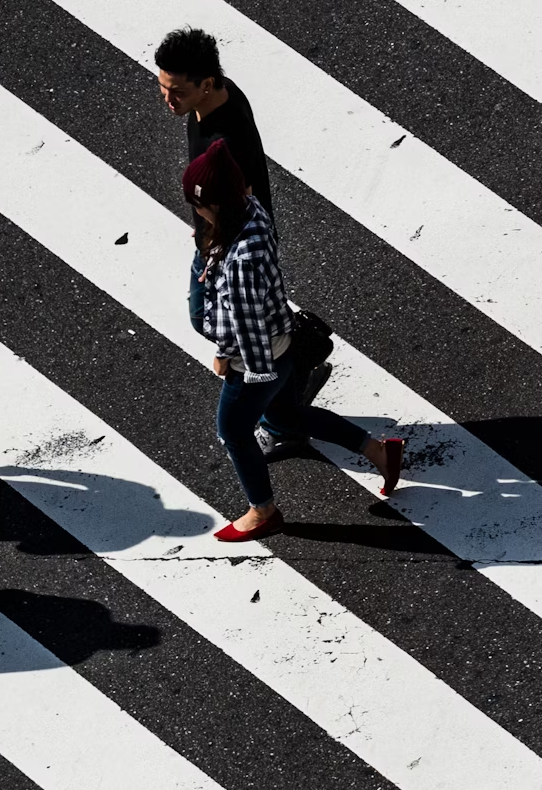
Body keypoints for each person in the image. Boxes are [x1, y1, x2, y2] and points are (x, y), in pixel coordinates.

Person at [185, 140, 403, 541]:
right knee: (287, 417)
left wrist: (226, 357)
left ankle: (262, 511)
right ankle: (378, 451)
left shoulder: (241, 261)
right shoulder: (253, 215)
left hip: (258, 362)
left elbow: (246, 325)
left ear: (213, 206)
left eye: (198, 205)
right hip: (283, 344)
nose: (196, 213)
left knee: (234, 431)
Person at [156, 24, 273, 337]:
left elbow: (242, 202)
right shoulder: (223, 93)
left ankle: (292, 368)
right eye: (163, 86)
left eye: (178, 91)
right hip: (217, 232)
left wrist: (215, 242)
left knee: (206, 318)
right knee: (261, 312)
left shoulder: (224, 141)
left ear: (205, 84)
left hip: (225, 245)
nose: (168, 98)